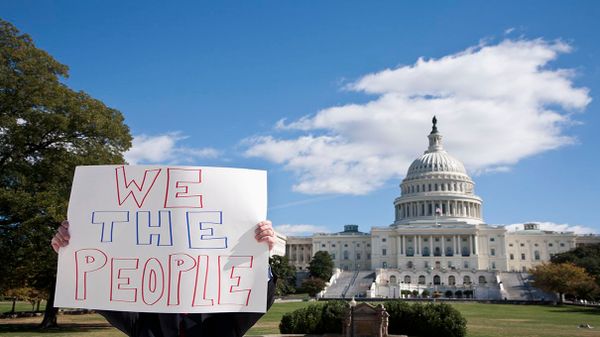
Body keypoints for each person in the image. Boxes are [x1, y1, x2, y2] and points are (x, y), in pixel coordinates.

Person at [51, 220, 278, 337]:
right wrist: (71, 249)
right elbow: (98, 291)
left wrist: (257, 255)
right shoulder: (144, 318)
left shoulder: (223, 319)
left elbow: (256, 301)